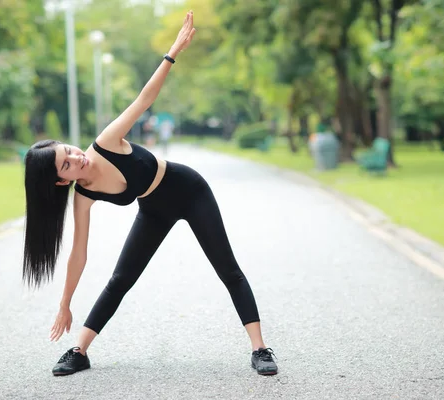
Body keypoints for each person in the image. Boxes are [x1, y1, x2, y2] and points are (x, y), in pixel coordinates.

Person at [22, 11, 278, 377]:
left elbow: (144, 99)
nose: (76, 157)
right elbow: (79, 252)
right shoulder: (83, 195)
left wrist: (172, 52)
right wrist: (65, 304)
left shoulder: (105, 143)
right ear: (62, 183)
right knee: (119, 279)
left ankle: (261, 349)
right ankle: (78, 351)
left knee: (228, 270)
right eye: (67, 165)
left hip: (189, 190)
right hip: (153, 209)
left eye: (69, 150)